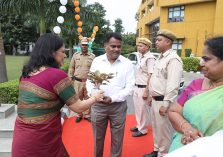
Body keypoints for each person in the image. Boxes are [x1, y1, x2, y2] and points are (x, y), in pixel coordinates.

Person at [11, 33, 104, 157]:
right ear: (52, 52)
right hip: (42, 144)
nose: (65, 55)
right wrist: (95, 97)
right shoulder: (56, 75)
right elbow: (79, 107)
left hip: (21, 142)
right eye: (62, 51)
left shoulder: (26, 74)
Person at [168, 36, 223, 152]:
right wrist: (187, 128)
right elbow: (173, 111)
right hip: (182, 148)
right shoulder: (196, 84)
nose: (201, 63)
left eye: (206, 59)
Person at [86, 32, 135, 157]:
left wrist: (112, 98)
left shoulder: (127, 63)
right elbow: (90, 82)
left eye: (119, 46)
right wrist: (94, 94)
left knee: (117, 139)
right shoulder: (97, 61)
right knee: (97, 138)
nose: (116, 49)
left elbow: (130, 87)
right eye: (113, 46)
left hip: (118, 107)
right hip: (98, 106)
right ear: (105, 46)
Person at [144, 29, 183, 157]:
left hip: (163, 101)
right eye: (156, 40)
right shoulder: (160, 58)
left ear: (168, 42)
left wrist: (166, 104)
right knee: (157, 129)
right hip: (156, 99)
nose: (156, 42)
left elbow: (173, 85)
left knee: (164, 132)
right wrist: (150, 96)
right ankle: (157, 150)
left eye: (159, 40)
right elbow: (156, 80)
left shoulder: (173, 59)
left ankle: (164, 154)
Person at [130, 38, 156, 137]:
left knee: (143, 109)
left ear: (147, 47)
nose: (138, 47)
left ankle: (143, 129)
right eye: (138, 45)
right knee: (137, 108)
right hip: (137, 86)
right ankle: (139, 125)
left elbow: (151, 75)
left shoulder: (150, 58)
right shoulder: (142, 57)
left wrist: (146, 91)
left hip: (144, 87)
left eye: (141, 46)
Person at [67, 37, 95, 123]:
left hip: (88, 82)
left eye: (86, 45)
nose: (84, 46)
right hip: (77, 82)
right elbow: (71, 68)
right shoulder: (75, 56)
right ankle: (79, 114)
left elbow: (95, 69)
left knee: (87, 98)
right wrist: (70, 79)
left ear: (88, 46)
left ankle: (87, 115)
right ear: (80, 45)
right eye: (83, 45)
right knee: (78, 98)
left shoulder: (92, 56)